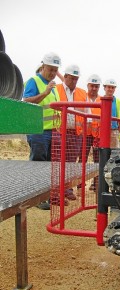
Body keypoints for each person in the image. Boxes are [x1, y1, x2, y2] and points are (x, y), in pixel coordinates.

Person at [23, 52, 62, 210]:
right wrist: (45, 92)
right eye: (50, 69)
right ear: (43, 66)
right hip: (37, 130)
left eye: (55, 70)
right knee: (37, 164)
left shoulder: (53, 87)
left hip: (52, 131)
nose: (53, 73)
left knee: (48, 166)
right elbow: (26, 101)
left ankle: (45, 196)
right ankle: (35, 199)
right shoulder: (34, 81)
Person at [56, 64, 87, 197]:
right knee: (57, 161)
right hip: (59, 131)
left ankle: (67, 189)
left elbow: (86, 112)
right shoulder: (56, 90)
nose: (74, 81)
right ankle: (56, 191)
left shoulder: (82, 92)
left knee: (71, 162)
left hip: (76, 133)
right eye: (71, 78)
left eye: (76, 79)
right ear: (66, 76)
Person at [81, 74, 102, 191]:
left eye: (96, 86)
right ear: (88, 85)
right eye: (92, 86)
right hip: (85, 134)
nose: (94, 88)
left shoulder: (101, 100)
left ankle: (96, 184)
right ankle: (80, 184)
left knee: (97, 160)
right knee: (82, 159)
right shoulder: (83, 97)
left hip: (97, 135)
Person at [103, 79, 120, 148]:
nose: (110, 89)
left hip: (114, 131)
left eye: (112, 87)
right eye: (109, 87)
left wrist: (117, 132)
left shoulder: (119, 102)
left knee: (113, 152)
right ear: (104, 88)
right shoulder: (100, 100)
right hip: (102, 131)